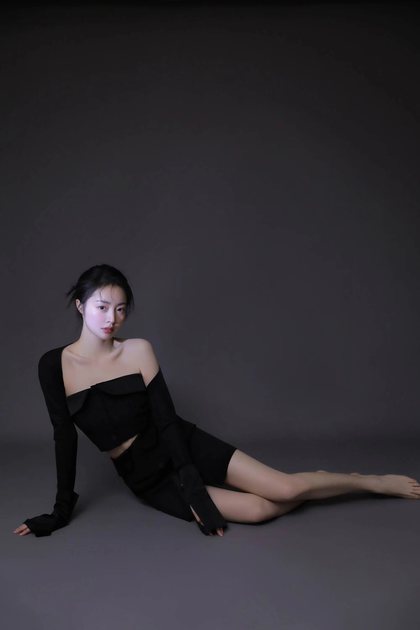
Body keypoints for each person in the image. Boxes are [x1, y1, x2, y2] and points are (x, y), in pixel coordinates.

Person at [14, 264, 420, 538]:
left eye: (120, 309)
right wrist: (59, 512)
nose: (111, 319)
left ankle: (369, 482)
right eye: (102, 307)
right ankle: (321, 482)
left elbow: (167, 420)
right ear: (80, 305)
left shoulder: (138, 350)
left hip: (181, 444)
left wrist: (194, 487)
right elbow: (64, 438)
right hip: (144, 476)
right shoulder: (53, 365)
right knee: (260, 511)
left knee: (285, 487)